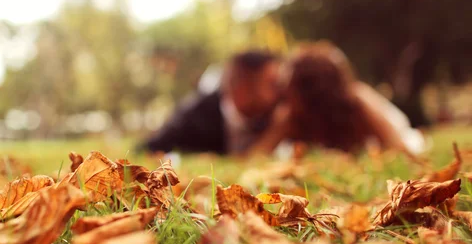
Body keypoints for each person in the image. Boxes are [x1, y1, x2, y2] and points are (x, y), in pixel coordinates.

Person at [248, 42, 425, 156]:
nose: (282, 98)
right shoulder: (292, 115)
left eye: (289, 92)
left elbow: (400, 147)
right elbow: (258, 154)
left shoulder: (358, 102)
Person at [140, 50, 284, 155]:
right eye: (272, 84)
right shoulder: (193, 117)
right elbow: (149, 148)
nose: (280, 90)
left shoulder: (278, 115)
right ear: (242, 88)